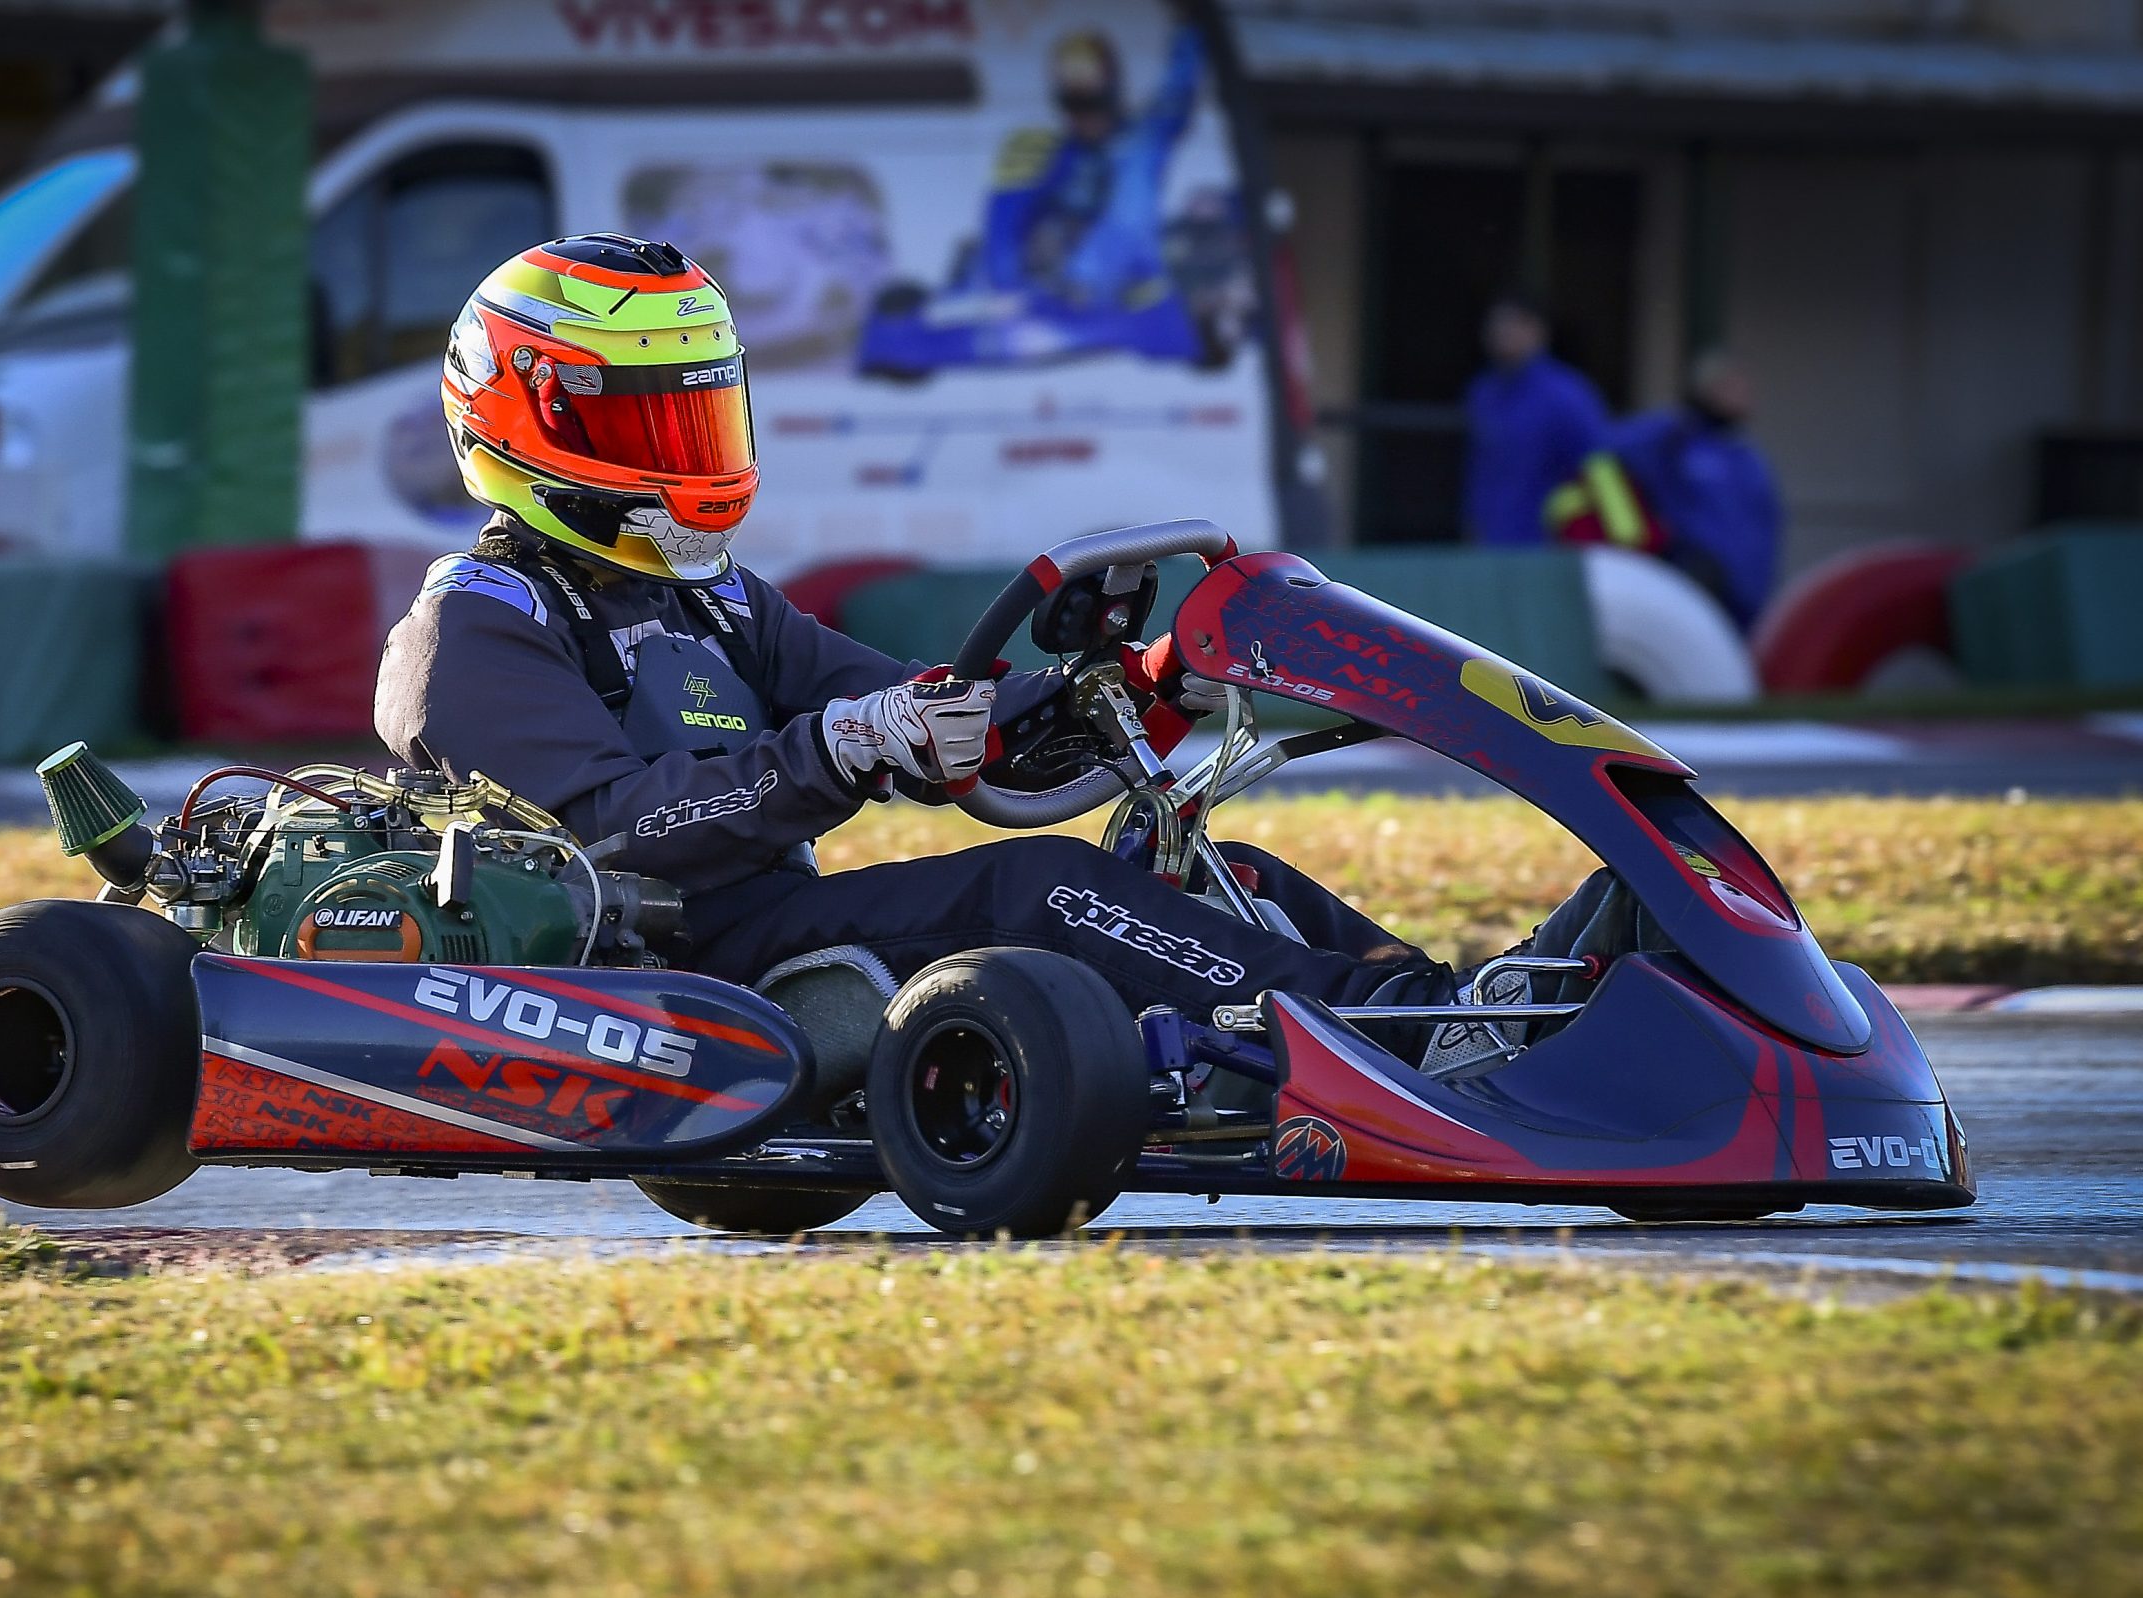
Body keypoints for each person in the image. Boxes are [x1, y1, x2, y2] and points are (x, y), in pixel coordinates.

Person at [377, 236, 1639, 1072]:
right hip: (661, 971)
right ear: (529, 419)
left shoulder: (719, 604)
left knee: (1200, 867)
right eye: (650, 423)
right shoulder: (476, 625)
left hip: (765, 926)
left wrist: (1134, 687)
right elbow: (600, 838)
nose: (688, 451)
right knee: (1034, 890)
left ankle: (1457, 1012)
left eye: (699, 411)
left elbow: (925, 709)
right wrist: (832, 753)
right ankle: (1386, 1039)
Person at [979, 26, 1201, 310]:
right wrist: (1006, 289)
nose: (1085, 116)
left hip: (1126, 293)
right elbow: (1005, 224)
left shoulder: (1143, 139)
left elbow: (1178, 91)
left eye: (1093, 103)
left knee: (1140, 151)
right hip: (1052, 299)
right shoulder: (1047, 152)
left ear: (1113, 93)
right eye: (1074, 104)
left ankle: (1086, 284)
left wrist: (1193, 25)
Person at [1601, 352, 1783, 630]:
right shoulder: (1673, 436)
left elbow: (1765, 527)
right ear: (1707, 389)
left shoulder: (1748, 457)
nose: (1743, 395)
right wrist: (1630, 530)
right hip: (1690, 583)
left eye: (1745, 387)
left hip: (1745, 598)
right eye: (1731, 386)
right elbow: (1602, 454)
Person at [1463, 295, 1610, 546]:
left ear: (1538, 330)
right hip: (1489, 542)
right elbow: (1480, 470)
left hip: (1547, 546)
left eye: (1514, 323)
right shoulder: (1483, 391)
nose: (1503, 332)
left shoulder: (1567, 395)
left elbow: (1600, 470)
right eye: (1496, 324)